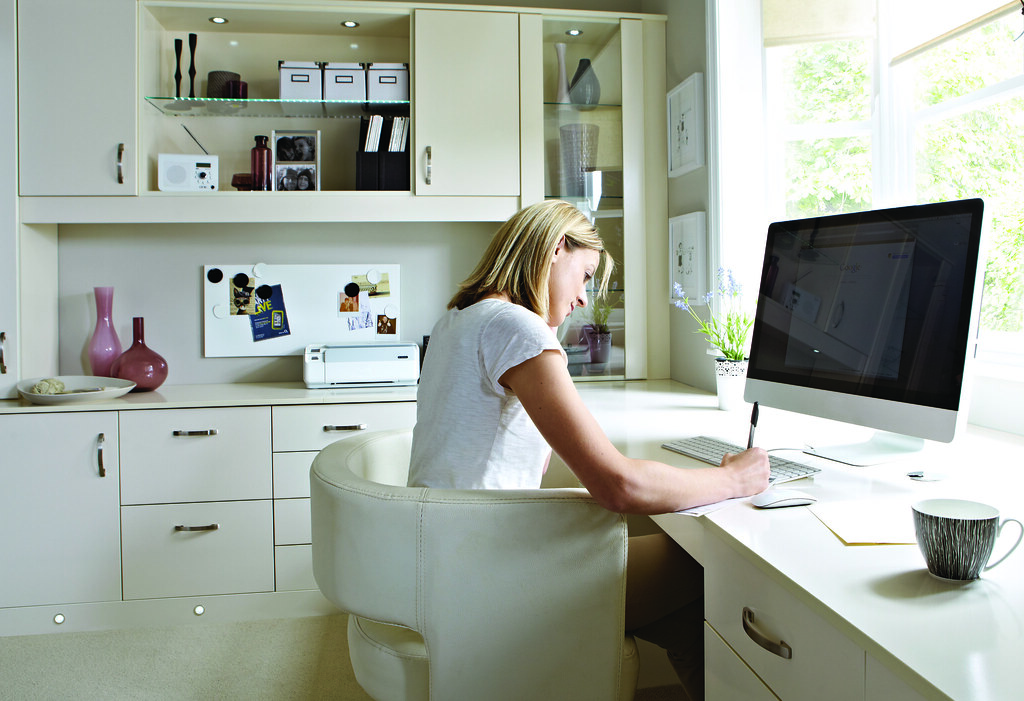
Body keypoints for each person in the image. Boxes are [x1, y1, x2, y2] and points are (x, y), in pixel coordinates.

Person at [408, 199, 770, 700]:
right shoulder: (514, 326)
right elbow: (617, 485)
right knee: (699, 566)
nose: (582, 298)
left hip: (440, 557)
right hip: (486, 576)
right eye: (584, 274)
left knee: (682, 610)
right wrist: (733, 479)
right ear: (557, 249)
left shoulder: (458, 319)